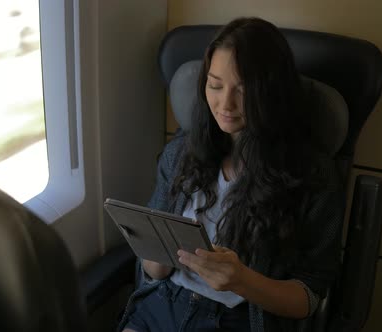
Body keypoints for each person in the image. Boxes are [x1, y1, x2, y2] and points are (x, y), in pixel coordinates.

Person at [118, 17, 344, 332]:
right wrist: (156, 258)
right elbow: (153, 271)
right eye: (215, 85)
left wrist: (242, 281)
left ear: (271, 92)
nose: (225, 104)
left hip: (237, 320)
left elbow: (309, 296)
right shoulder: (181, 152)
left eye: (243, 90)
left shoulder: (312, 176)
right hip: (163, 305)